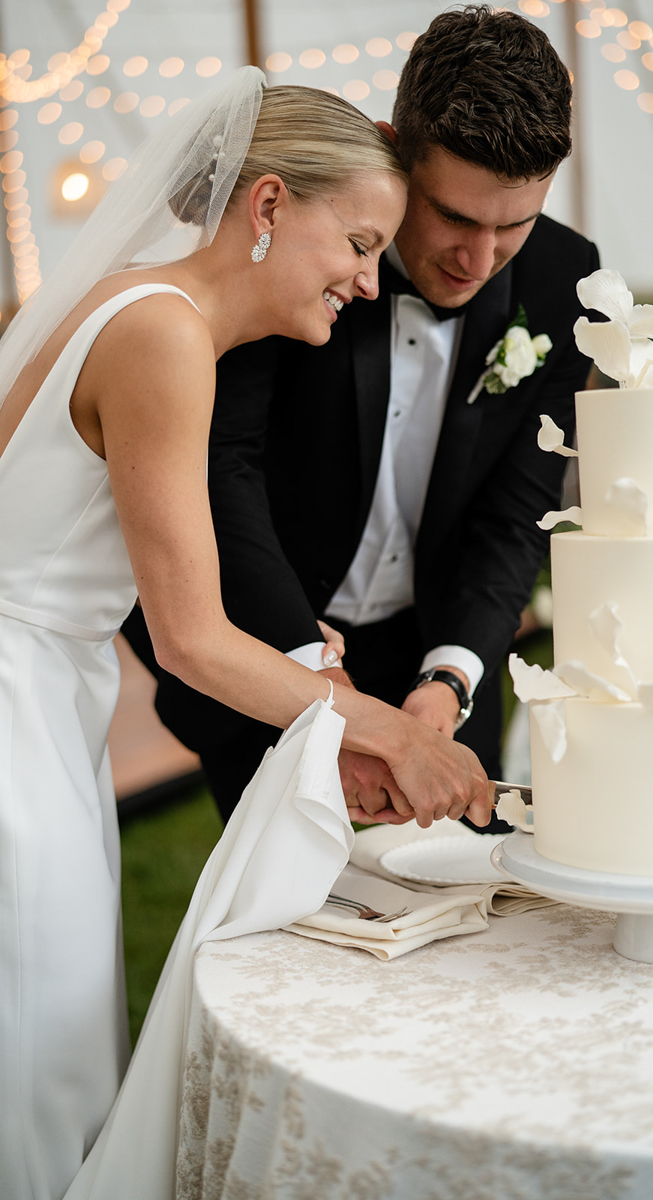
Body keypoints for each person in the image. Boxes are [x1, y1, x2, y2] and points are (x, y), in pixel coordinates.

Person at [0, 70, 491, 1200]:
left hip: (40, 686)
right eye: (360, 242)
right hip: (20, 710)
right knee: (39, 1049)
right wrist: (386, 731)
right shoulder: (164, 337)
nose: (369, 284)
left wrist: (302, 658)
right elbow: (191, 642)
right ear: (267, 206)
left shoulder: (133, 306)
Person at [127, 5, 600, 825]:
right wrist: (318, 685)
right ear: (394, 148)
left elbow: (516, 513)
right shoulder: (290, 255)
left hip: (436, 657)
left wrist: (448, 680)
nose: (478, 261)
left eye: (513, 224)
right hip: (266, 642)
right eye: (454, 216)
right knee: (291, 920)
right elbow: (221, 462)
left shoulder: (566, 280)